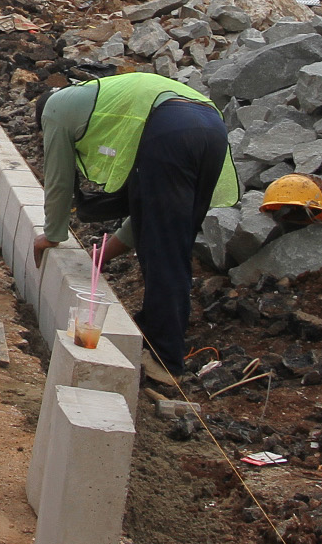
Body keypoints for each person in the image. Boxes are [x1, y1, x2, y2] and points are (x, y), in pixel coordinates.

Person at [31, 72, 239, 380]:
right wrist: (101, 256)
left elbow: (59, 182)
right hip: (212, 126)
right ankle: (159, 335)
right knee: (173, 244)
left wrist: (51, 236)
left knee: (164, 253)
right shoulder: (113, 104)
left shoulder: (55, 110)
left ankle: (165, 359)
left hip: (171, 128)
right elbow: (145, 214)